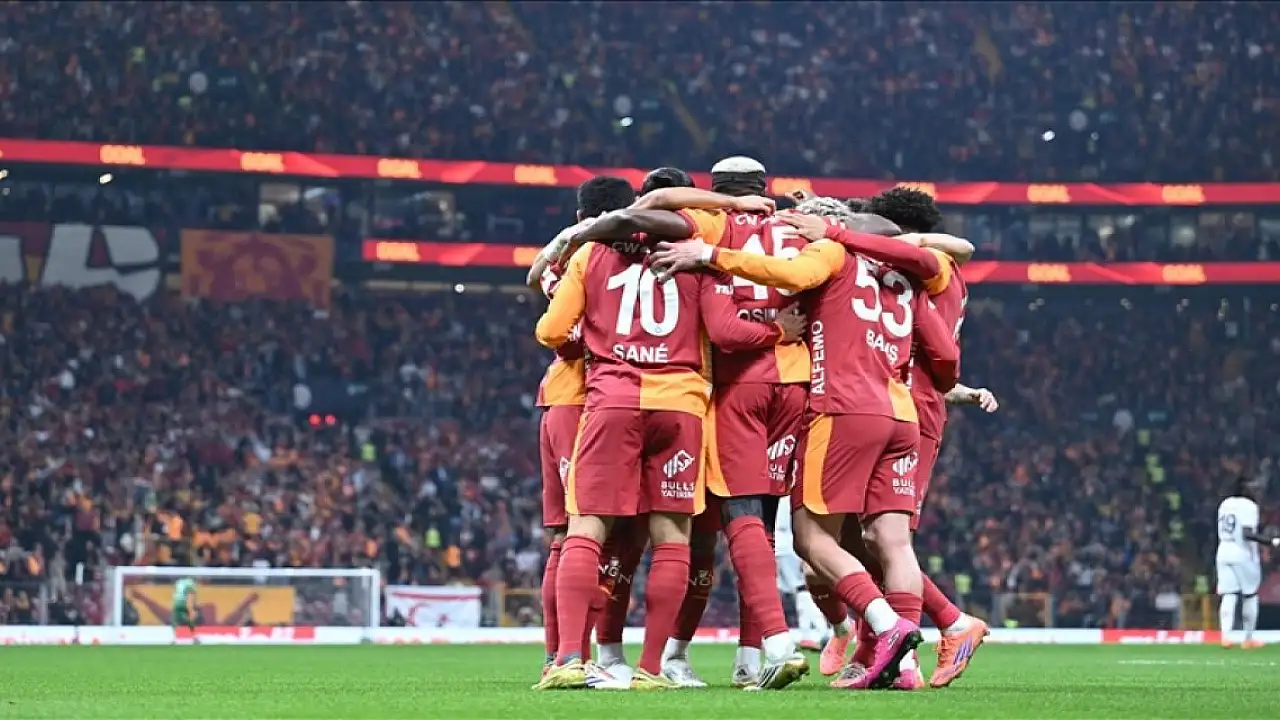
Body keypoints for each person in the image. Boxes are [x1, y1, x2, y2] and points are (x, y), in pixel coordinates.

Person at [649, 200, 959, 690]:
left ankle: (885, 627)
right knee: (893, 543)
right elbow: (945, 356)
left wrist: (712, 254)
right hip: (902, 414)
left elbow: (787, 275)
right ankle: (905, 666)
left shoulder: (832, 255)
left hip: (842, 408)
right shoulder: (911, 275)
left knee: (811, 540)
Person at [533, 177, 803, 691]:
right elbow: (723, 331)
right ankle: (653, 668)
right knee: (673, 538)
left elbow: (549, 331)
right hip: (681, 406)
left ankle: (568, 659)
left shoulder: (590, 255)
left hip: (612, 402)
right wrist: (776, 331)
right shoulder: (696, 258)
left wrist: (597, 333)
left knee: (585, 529)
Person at [824, 187, 996, 688]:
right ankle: (893, 645)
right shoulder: (922, 268)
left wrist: (842, 233)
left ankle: (916, 647)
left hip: (907, 406)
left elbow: (956, 251)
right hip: (897, 400)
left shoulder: (927, 264)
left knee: (886, 540)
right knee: (865, 538)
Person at [1216, 476, 1279, 648]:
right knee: (1250, 595)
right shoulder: (1248, 506)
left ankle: (1225, 637)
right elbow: (1247, 534)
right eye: (1253, 488)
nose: (1256, 491)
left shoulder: (1225, 504)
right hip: (1242, 552)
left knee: (1228, 594)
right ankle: (1248, 638)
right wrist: (1272, 541)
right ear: (1245, 489)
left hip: (1223, 550)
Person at [171, 577, 199, 645]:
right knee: (190, 621)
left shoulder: (179, 582)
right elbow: (190, 596)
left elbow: (175, 593)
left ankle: (174, 638)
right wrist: (191, 610)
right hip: (184, 603)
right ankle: (194, 637)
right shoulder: (190, 584)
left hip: (177, 603)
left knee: (175, 621)